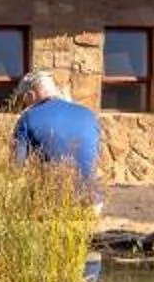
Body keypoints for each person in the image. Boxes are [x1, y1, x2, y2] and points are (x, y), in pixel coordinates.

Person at [10, 71, 105, 207]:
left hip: (54, 204)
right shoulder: (89, 114)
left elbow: (16, 167)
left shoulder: (27, 118)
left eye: (24, 101)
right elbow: (95, 157)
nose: (24, 107)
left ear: (30, 95)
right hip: (93, 202)